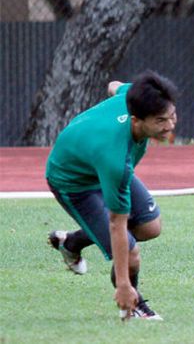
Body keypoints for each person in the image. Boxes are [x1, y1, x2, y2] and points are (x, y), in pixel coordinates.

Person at [46, 70, 177, 320]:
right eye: (161, 121)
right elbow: (117, 222)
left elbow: (114, 85)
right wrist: (124, 285)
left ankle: (71, 242)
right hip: (73, 181)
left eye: (172, 116)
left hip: (96, 163)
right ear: (136, 120)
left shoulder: (133, 96)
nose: (169, 125)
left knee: (150, 227)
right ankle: (133, 304)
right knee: (130, 253)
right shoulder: (115, 158)